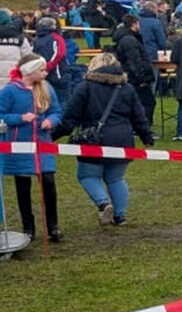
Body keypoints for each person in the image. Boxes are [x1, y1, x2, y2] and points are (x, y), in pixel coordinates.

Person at [52, 53, 153, 226]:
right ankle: (120, 216)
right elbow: (139, 115)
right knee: (116, 178)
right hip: (122, 139)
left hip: (94, 139)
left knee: (87, 176)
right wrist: (146, 136)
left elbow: (71, 116)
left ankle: (103, 203)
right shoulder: (127, 88)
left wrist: (54, 135)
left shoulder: (85, 87)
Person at [1, 54, 63, 241]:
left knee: (48, 183)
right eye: (41, 70)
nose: (45, 73)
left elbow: (56, 111)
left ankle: (53, 225)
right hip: (19, 144)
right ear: (29, 71)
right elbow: (2, 114)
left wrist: (51, 121)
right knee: (23, 187)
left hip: (43, 144)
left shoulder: (47, 88)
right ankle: (28, 227)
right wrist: (19, 118)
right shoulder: (9, 91)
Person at [112, 14, 157, 126]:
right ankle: (143, 126)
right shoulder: (129, 40)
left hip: (132, 77)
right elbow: (134, 61)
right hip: (136, 79)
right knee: (147, 103)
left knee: (137, 103)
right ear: (134, 24)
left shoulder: (128, 38)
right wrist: (142, 79)